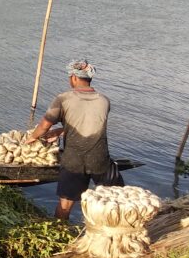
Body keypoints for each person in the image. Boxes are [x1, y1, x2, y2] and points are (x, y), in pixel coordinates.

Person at [26, 59, 122, 220]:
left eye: (69, 76)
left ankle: (59, 230)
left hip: (73, 161)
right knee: (117, 198)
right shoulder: (104, 100)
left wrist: (32, 138)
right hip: (99, 159)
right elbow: (88, 121)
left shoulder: (63, 99)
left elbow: (44, 125)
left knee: (65, 205)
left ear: (74, 77)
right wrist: (62, 131)